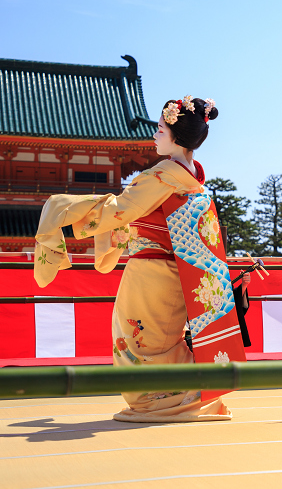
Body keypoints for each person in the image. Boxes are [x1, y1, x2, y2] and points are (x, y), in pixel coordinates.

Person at [34, 96, 245, 422]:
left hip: (152, 273)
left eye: (160, 129)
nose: (155, 135)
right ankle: (187, 392)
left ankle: (169, 400)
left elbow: (120, 211)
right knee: (157, 341)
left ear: (176, 137)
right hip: (174, 272)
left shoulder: (161, 175)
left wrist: (61, 209)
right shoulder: (192, 176)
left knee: (136, 341)